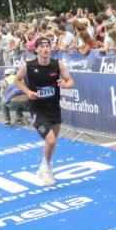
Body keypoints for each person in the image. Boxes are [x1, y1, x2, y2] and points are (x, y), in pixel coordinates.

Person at [14, 37, 75, 186]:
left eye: (48, 46)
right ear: (37, 50)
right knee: (51, 139)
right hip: (37, 109)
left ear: (51, 49)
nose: (45, 49)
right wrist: (28, 92)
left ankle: (43, 165)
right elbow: (17, 80)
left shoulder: (58, 64)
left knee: (52, 142)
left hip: (54, 107)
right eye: (42, 47)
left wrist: (65, 85)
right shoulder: (28, 66)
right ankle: (47, 169)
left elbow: (70, 81)